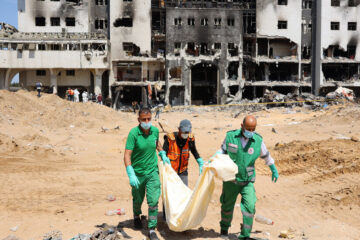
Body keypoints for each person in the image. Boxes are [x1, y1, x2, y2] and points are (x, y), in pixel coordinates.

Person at [214, 115, 279, 240]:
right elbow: (221, 152)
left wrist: (273, 169)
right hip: (231, 180)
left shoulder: (258, 140)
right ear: (242, 126)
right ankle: (224, 229)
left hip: (247, 181)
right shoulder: (230, 137)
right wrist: (213, 160)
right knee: (227, 205)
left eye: (253, 129)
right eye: (248, 128)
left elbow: (266, 156)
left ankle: (245, 235)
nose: (250, 131)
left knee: (249, 206)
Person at [123, 108, 163, 240]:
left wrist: (162, 152)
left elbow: (157, 143)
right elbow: (127, 155)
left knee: (153, 200)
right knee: (138, 198)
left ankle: (152, 229)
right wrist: (131, 173)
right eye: (144, 119)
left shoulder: (155, 131)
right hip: (138, 173)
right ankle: (136, 216)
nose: (147, 122)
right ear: (139, 120)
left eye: (149, 119)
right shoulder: (134, 133)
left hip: (152, 171)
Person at [159, 119, 203, 186]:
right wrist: (163, 158)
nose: (186, 134)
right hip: (171, 172)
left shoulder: (190, 139)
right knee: (172, 194)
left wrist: (200, 162)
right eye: (184, 132)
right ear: (179, 129)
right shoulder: (170, 139)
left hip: (183, 171)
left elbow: (194, 151)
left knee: (184, 193)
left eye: (187, 132)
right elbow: (163, 153)